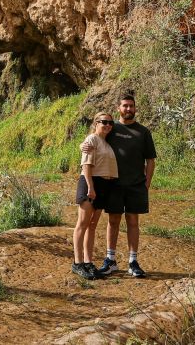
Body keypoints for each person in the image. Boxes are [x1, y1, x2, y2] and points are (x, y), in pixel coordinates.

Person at [84, 93, 157, 278]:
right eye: (125, 106)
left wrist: (146, 184)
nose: (128, 109)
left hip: (136, 185)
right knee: (113, 221)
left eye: (131, 106)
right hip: (113, 185)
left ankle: (133, 262)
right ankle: (111, 260)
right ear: (119, 108)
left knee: (133, 221)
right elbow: (94, 138)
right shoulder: (111, 127)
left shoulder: (143, 132)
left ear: (135, 108)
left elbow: (151, 160)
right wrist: (82, 146)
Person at [72, 112, 118, 280]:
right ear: (96, 123)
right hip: (90, 182)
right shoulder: (91, 139)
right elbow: (86, 165)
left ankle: (88, 262)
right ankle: (78, 264)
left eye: (110, 123)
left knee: (92, 226)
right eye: (104, 122)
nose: (107, 125)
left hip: (104, 185)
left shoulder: (107, 142)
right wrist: (91, 187)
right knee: (82, 224)